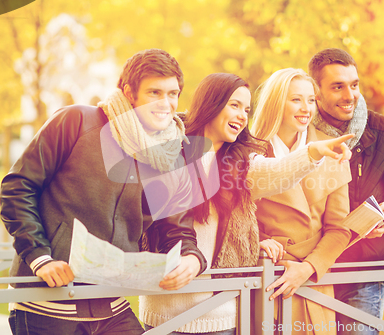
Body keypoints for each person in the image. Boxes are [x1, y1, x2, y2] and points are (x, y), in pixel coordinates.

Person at [0, 48, 207, 335]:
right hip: (46, 304)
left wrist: (191, 257)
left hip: (113, 305)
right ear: (129, 93)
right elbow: (18, 186)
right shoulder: (75, 121)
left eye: (173, 94)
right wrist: (39, 257)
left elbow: (175, 228)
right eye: (154, 93)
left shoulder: (171, 153)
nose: (166, 103)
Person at [139, 73, 353, 334]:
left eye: (247, 109)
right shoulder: (167, 151)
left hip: (221, 314)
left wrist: (314, 151)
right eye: (234, 105)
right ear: (212, 103)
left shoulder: (241, 165)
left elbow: (277, 171)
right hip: (165, 312)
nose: (242, 115)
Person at [308, 48, 384, 335]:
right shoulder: (300, 132)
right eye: (338, 86)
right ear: (316, 92)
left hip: (364, 271)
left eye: (354, 84)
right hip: (308, 268)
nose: (350, 95)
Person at [251, 68, 353, 335]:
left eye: (310, 100)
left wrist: (307, 268)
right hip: (266, 274)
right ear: (276, 102)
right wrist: (257, 240)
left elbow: (340, 228)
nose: (306, 108)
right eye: (296, 99)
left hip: (311, 278)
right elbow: (235, 213)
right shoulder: (249, 149)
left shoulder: (331, 149)